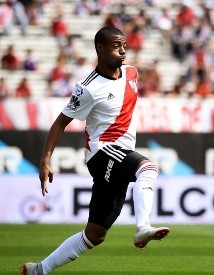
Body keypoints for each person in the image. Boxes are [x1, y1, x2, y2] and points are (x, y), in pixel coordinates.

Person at [21, 26, 170, 275]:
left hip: (120, 153)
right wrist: (45, 159)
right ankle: (142, 226)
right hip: (103, 152)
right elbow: (60, 122)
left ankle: (39, 269)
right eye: (116, 46)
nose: (122, 51)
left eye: (124, 45)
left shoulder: (131, 73)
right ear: (100, 48)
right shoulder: (88, 88)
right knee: (148, 168)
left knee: (95, 235)